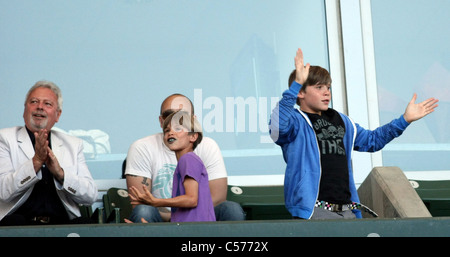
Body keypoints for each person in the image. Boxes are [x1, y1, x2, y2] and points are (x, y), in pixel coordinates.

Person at [269, 48, 439, 220]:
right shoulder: (296, 121)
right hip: (313, 211)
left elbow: (373, 141)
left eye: (328, 87)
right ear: (301, 93)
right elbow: (278, 127)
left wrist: (404, 120)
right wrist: (296, 84)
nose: (326, 92)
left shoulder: (342, 121)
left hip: (347, 211)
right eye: (319, 87)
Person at [125, 93, 244, 222]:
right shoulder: (142, 147)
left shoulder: (190, 158)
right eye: (168, 117)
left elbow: (201, 199)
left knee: (230, 209)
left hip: (199, 218)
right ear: (161, 121)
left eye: (182, 117)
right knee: (143, 211)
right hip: (162, 219)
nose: (173, 121)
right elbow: (141, 202)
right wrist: (175, 217)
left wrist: (167, 208)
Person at [0, 80, 98, 225]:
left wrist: (61, 174)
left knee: (85, 224)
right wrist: (35, 163)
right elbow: (3, 191)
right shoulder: (4, 138)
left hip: (61, 223)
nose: (40, 107)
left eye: (48, 104)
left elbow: (90, 196)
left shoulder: (73, 144)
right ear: (24, 110)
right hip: (20, 222)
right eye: (34, 102)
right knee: (14, 222)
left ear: (57, 115)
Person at [128, 111, 215, 222]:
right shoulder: (187, 161)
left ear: (193, 136)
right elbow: (179, 215)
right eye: (167, 130)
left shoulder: (188, 159)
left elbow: (191, 200)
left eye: (178, 129)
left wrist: (156, 201)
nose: (170, 133)